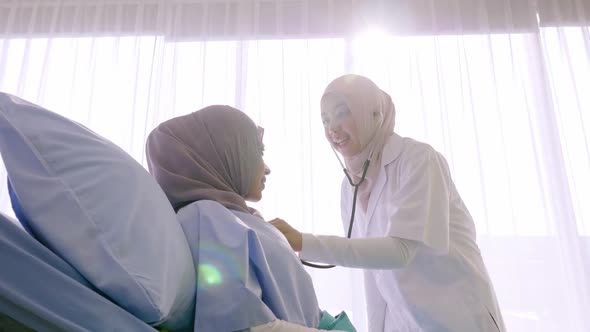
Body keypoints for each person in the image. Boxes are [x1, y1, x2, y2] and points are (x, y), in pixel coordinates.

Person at [270, 74, 506, 332]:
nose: (332, 129)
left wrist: (303, 241)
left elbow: (399, 251)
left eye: (341, 113)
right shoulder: (350, 187)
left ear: (373, 114)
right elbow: (373, 276)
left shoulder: (418, 160)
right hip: (405, 323)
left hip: (459, 318)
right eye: (325, 120)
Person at [145, 105, 355, 332]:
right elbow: (243, 325)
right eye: (258, 152)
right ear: (222, 154)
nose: (267, 169)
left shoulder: (234, 218)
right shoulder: (205, 218)